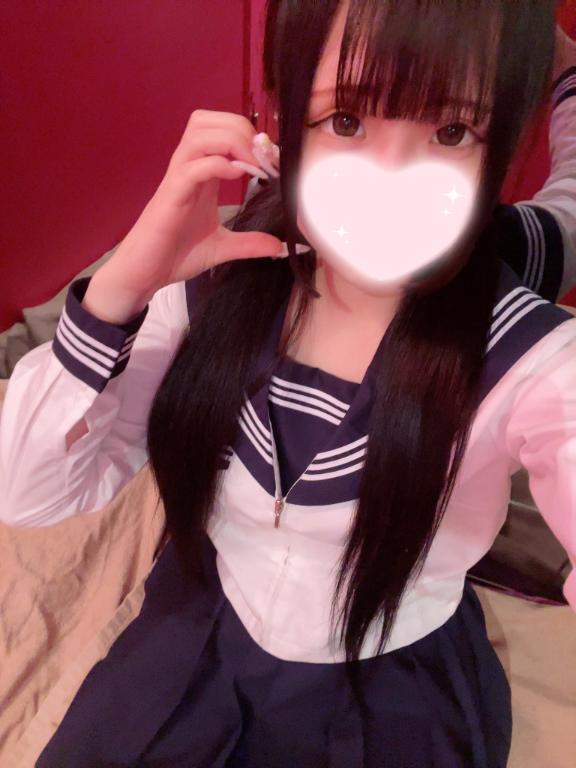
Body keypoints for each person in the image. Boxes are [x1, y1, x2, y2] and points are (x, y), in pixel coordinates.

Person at [0, 1, 575, 766]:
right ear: (284, 118)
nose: (387, 184)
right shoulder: (220, 273)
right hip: (200, 631)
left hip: (396, 676)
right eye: (345, 120)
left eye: (450, 131)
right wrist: (122, 285)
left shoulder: (528, 349)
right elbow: (29, 494)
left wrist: (562, 69)